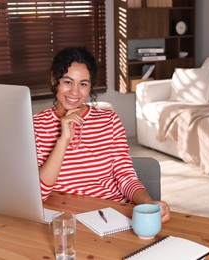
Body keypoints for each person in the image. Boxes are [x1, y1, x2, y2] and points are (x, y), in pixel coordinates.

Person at [33, 46, 170, 222]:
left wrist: (148, 203)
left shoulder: (109, 120)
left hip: (110, 215)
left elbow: (125, 176)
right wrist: (63, 141)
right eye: (67, 82)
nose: (75, 92)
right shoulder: (36, 126)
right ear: (54, 80)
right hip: (65, 220)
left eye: (83, 84)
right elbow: (38, 193)